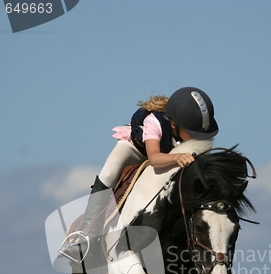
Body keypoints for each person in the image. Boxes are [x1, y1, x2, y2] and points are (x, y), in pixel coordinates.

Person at [59, 86, 219, 263]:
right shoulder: (154, 122)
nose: (197, 138)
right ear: (174, 124)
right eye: (192, 132)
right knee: (108, 173)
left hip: (169, 153)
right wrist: (179, 156)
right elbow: (154, 158)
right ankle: (84, 236)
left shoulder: (187, 133)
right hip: (136, 150)